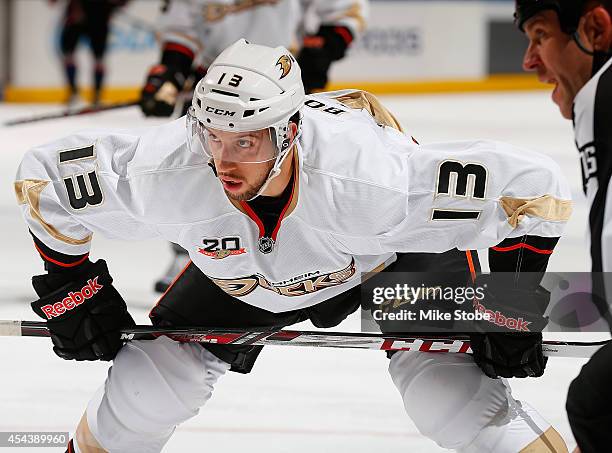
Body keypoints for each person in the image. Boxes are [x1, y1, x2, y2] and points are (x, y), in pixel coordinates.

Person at [15, 40, 572, 452]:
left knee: (447, 399)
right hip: (250, 271)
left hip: (387, 256)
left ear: (289, 135)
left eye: (246, 141)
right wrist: (72, 289)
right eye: (212, 136)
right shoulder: (170, 170)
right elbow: (45, 179)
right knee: (147, 388)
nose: (224, 162)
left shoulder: (374, 183)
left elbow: (534, 188)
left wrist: (510, 307)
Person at [140, 0, 368, 293]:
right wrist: (169, 71)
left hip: (277, 90)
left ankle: (292, 253)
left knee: (285, 175)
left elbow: (344, 9)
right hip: (215, 91)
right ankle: (187, 258)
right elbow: (181, 26)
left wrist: (325, 47)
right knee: (195, 172)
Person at [515, 1, 612, 452]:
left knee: (597, 401)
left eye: (540, 36)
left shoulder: (603, 92)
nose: (530, 62)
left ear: (594, 28)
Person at [50, 0, 128, 106]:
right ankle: (74, 92)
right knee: (69, 55)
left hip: (99, 16)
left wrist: (112, 7)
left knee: (99, 58)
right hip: (76, 16)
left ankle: (96, 95)